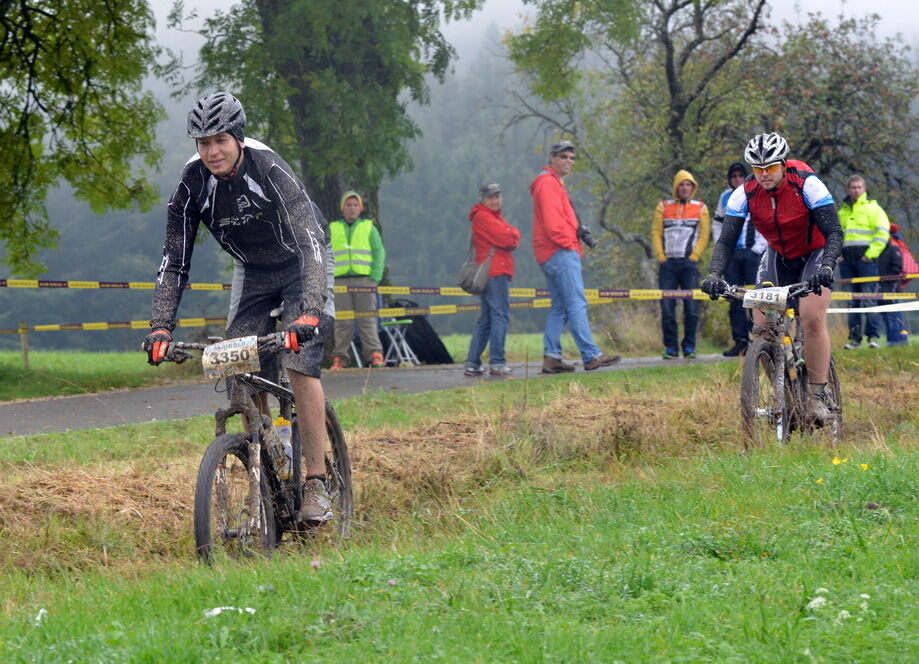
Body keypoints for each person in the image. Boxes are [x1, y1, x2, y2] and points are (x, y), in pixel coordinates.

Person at [144, 91, 335, 522]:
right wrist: (161, 327)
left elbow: (309, 239)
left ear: (238, 139)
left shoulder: (268, 167)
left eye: (220, 141)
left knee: (299, 360)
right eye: (202, 142)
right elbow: (174, 261)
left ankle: (317, 482)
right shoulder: (192, 185)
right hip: (253, 273)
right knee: (237, 366)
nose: (211, 151)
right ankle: (270, 461)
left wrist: (308, 309)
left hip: (304, 264)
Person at [702, 132, 843, 423]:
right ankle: (787, 397)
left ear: (783, 164)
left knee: (811, 315)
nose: (764, 174)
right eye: (758, 169)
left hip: (815, 253)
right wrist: (714, 274)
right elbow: (726, 241)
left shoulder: (807, 183)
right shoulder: (745, 193)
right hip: (778, 256)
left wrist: (827, 266)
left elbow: (834, 233)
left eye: (770, 168)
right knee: (762, 325)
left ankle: (817, 396)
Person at [531, 140, 621, 373]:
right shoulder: (548, 183)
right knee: (576, 303)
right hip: (559, 251)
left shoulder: (552, 183)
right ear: (552, 158)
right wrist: (570, 243)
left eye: (572, 158)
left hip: (550, 252)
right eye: (563, 157)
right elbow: (553, 225)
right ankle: (591, 355)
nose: (568, 161)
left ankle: (551, 358)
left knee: (560, 306)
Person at [463, 183, 521, 376]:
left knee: (487, 318)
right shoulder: (484, 217)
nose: (495, 200)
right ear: (482, 199)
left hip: (491, 271)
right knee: (500, 316)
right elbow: (508, 239)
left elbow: (508, 236)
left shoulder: (489, 216)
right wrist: (513, 232)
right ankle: (497, 361)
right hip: (495, 271)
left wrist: (510, 232)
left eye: (497, 196)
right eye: (491, 197)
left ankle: (472, 362)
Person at [652, 169, 710, 359]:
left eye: (688, 185)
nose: (685, 188)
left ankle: (689, 347)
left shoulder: (700, 207)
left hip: (689, 264)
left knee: (691, 309)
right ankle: (671, 348)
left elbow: (704, 235)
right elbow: (656, 233)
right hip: (667, 264)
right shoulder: (663, 205)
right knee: (667, 308)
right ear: (676, 186)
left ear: (692, 187)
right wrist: (661, 256)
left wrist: (694, 256)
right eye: (682, 184)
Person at [712, 162, 767, 356]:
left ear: (746, 176)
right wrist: (721, 247)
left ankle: (760, 339)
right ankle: (740, 341)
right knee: (734, 299)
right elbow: (717, 223)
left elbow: (764, 222)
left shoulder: (758, 192)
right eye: (733, 176)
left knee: (757, 298)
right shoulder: (725, 197)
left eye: (740, 175)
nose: (737, 179)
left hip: (753, 253)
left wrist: (757, 249)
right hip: (732, 255)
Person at [329, 191, 387, 369]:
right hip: (340, 281)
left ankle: (374, 354)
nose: (352, 208)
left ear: (360, 208)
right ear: (343, 207)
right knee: (342, 322)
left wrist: (375, 278)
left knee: (367, 319)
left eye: (355, 205)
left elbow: (379, 253)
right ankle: (340, 357)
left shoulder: (369, 227)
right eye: (349, 204)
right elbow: (326, 253)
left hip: (364, 281)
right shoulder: (332, 228)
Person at [837, 175, 890, 349]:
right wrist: (838, 255)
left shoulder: (873, 209)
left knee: (869, 299)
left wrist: (870, 255)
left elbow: (882, 233)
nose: (856, 190)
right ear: (847, 190)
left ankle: (873, 337)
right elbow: (835, 236)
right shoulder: (842, 212)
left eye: (859, 187)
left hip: (866, 261)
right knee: (852, 302)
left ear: (864, 189)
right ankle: (854, 339)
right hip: (847, 262)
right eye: (853, 187)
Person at [877, 223, 910, 346]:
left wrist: (887, 281)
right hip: (881, 288)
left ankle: (895, 340)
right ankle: (896, 339)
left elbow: (897, 268)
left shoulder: (894, 249)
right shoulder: (879, 250)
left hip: (892, 288)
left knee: (894, 314)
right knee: (887, 315)